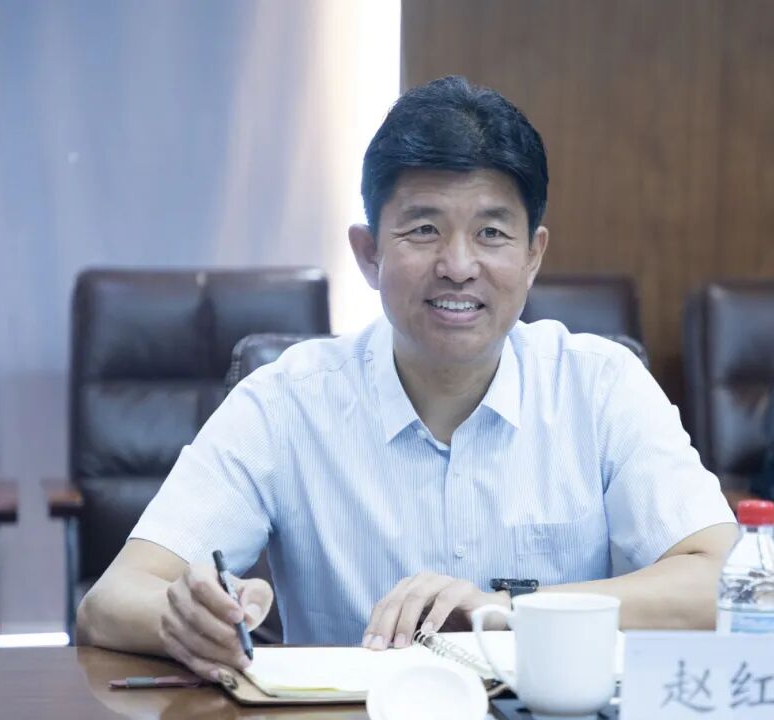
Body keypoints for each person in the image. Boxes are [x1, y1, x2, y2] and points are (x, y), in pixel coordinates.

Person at [77, 76, 736, 681]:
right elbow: (110, 602)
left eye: (491, 233)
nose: (458, 265)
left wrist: (507, 611)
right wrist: (191, 617)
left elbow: (727, 585)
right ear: (369, 253)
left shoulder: (602, 388)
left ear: (533, 255)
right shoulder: (286, 402)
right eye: (424, 229)